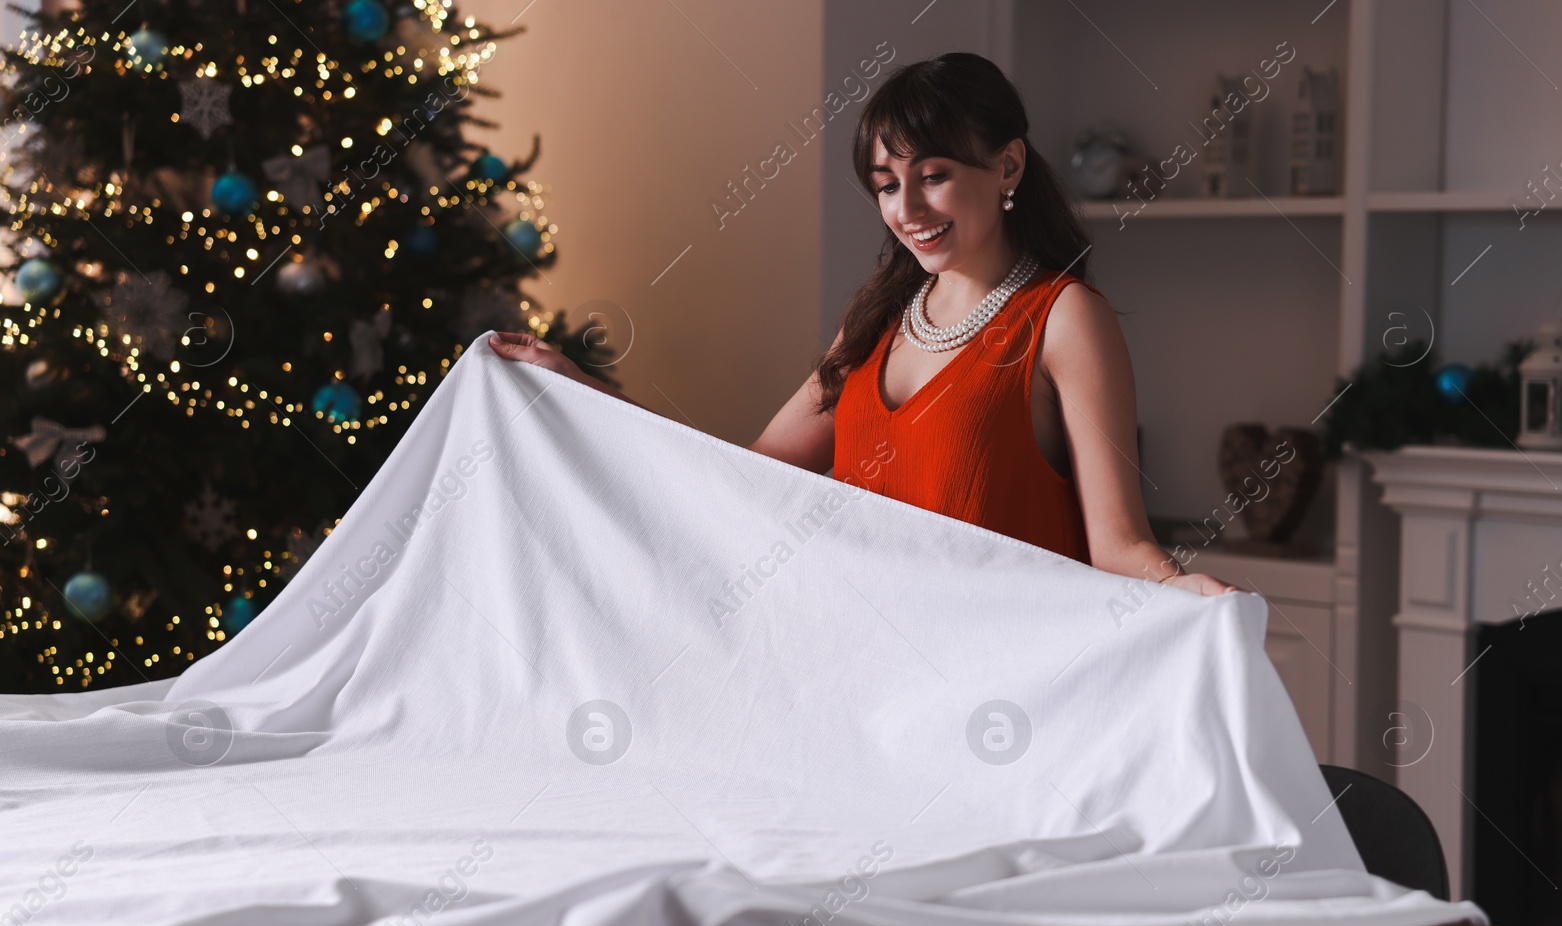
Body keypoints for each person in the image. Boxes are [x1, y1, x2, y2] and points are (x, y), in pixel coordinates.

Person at [490, 52, 1236, 596]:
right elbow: (745, 479)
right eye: (886, 185)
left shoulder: (1064, 318)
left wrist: (1191, 589)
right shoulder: (876, 321)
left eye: (934, 175)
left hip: (999, 702)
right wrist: (584, 392)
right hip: (854, 683)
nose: (907, 209)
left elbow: (1119, 545)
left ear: (1007, 167)